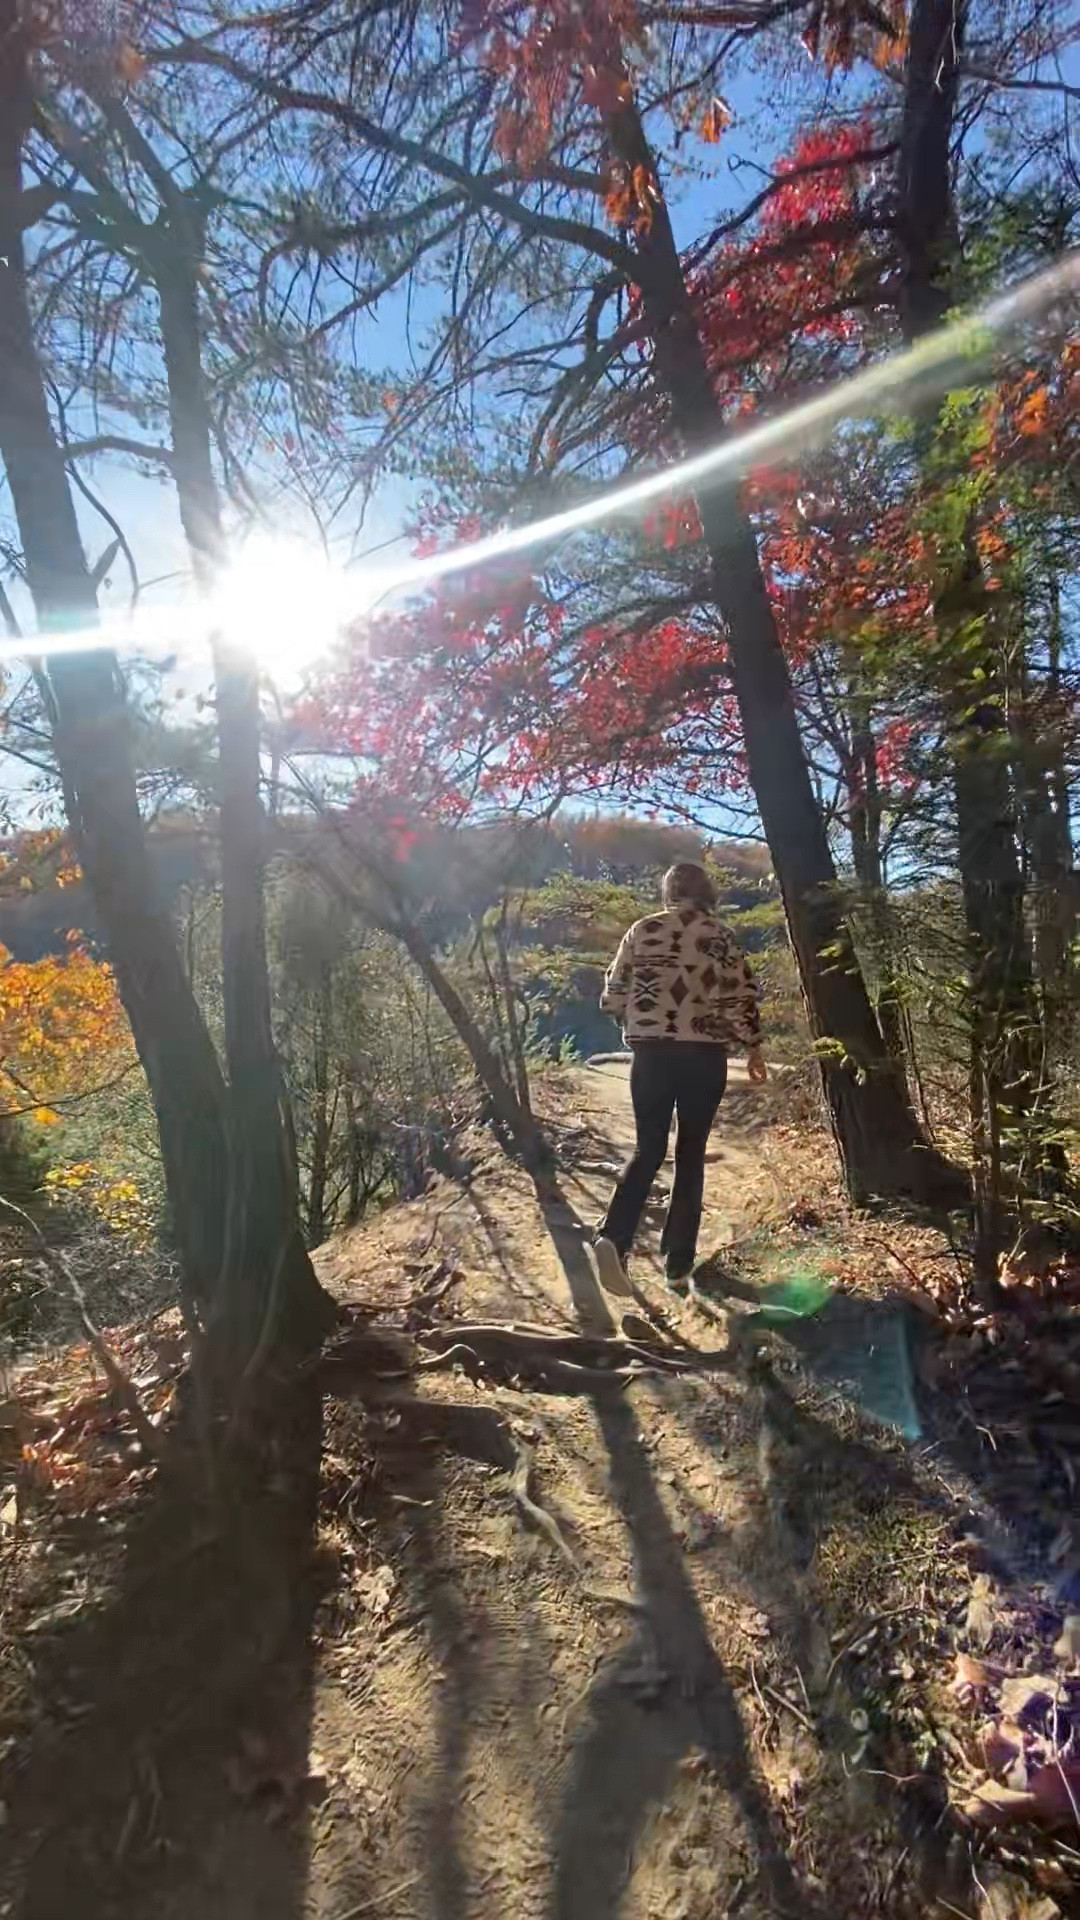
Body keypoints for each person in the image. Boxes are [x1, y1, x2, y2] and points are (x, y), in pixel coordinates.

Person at [592, 861, 766, 1296]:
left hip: (650, 1056)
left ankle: (613, 1239)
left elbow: (612, 996)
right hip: (704, 1057)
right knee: (691, 1154)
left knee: (648, 1148)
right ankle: (678, 1266)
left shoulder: (642, 930)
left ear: (667, 891)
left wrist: (635, 1018)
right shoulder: (720, 936)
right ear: (706, 892)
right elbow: (740, 997)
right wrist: (754, 1047)